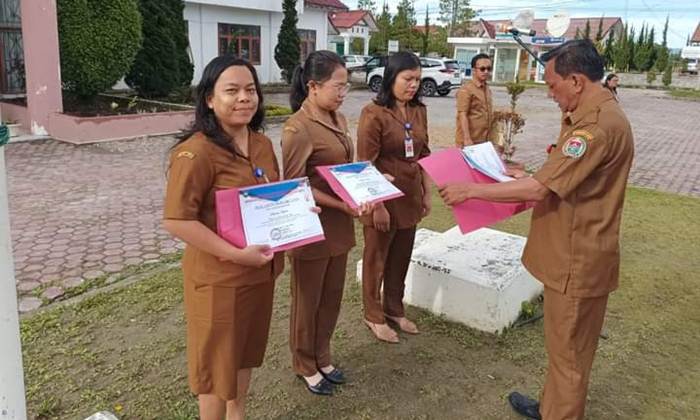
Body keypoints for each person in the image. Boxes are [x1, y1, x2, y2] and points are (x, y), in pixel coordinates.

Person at [439, 39, 634, 420]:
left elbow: (540, 190)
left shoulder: (594, 127)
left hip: (577, 259)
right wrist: (523, 175)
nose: (550, 94)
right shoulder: (595, 113)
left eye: (552, 85)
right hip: (575, 253)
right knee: (563, 349)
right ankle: (550, 407)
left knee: (570, 357)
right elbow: (562, 178)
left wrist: (470, 190)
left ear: (576, 81)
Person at [162, 56, 284, 420]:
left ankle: (237, 415)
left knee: (244, 354)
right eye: (232, 90)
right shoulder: (195, 152)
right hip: (219, 282)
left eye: (251, 90)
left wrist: (297, 212)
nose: (244, 98)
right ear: (210, 99)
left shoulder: (261, 144)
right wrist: (236, 254)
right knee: (216, 369)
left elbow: (272, 196)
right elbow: (177, 220)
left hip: (259, 275)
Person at [282, 50, 372, 396]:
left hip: (339, 224)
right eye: (338, 86)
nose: (343, 93)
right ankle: (304, 363)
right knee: (308, 300)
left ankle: (323, 354)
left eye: (346, 86)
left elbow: (343, 170)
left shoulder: (338, 120)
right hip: (312, 225)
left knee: (332, 295)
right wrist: (341, 203)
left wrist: (367, 184)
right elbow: (295, 185)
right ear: (313, 86)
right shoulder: (298, 128)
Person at [356, 51, 432, 344]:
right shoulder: (373, 113)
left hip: (410, 196)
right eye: (408, 78)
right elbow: (366, 164)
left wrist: (426, 193)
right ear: (391, 78)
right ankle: (373, 315)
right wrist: (378, 206)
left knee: (401, 257)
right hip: (382, 199)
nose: (414, 85)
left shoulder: (418, 110)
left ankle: (394, 309)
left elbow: (424, 154)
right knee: (376, 259)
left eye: (418, 79)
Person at [455, 53, 494, 147]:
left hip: (484, 141)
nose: (486, 72)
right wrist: (467, 138)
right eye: (482, 69)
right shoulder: (466, 90)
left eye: (489, 69)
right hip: (469, 141)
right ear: (473, 70)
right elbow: (462, 114)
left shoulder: (487, 89)